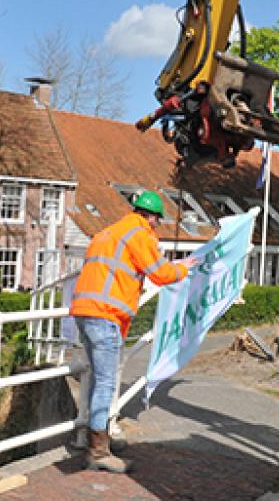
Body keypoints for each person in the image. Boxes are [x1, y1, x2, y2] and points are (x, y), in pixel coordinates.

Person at [69, 190, 200, 472]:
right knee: (105, 383)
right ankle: (98, 452)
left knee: (97, 379)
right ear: (151, 217)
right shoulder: (139, 235)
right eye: (156, 220)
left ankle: (99, 436)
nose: (155, 225)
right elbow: (161, 274)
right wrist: (183, 268)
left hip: (85, 312)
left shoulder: (107, 233)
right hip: (105, 316)